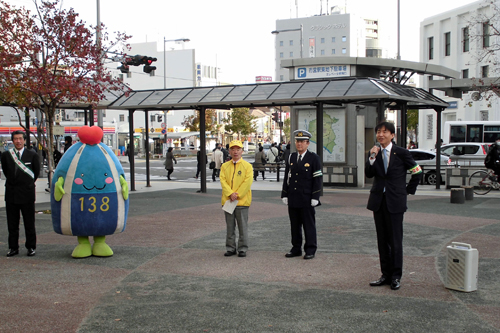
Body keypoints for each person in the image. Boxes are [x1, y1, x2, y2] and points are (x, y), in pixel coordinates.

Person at [365, 121, 422, 291]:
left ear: (392, 135)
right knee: (382, 241)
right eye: (378, 132)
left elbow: (417, 171)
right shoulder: (375, 152)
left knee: (395, 241)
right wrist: (371, 157)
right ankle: (385, 274)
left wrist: (407, 191)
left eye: (384, 132)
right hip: (378, 201)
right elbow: (369, 173)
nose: (380, 135)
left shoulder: (401, 153)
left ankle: (396, 276)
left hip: (395, 202)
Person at [281, 130, 322, 260]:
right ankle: (296, 248)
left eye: (302, 142)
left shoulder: (313, 158)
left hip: (307, 197)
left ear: (307, 143)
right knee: (295, 225)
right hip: (293, 196)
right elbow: (287, 177)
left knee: (308, 225)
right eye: (297, 141)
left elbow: (318, 179)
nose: (299, 144)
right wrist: (285, 194)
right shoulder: (291, 157)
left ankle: (310, 249)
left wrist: (316, 196)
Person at [1, 130, 40, 257]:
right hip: (11, 194)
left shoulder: (32, 155)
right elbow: (6, 172)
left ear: (24, 140)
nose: (18, 141)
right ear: (12, 141)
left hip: (27, 193)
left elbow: (35, 173)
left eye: (20, 138)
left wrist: (26, 184)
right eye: (15, 139)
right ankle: (13, 247)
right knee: (12, 223)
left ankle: (31, 247)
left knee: (29, 222)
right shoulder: (6, 155)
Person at [219, 140, 253, 257]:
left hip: (242, 201)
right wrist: (230, 194)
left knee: (243, 227)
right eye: (233, 149)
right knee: (230, 227)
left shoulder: (247, 166)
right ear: (229, 151)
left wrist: (236, 195)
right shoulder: (224, 166)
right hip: (228, 201)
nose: (235, 152)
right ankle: (230, 248)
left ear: (242, 151)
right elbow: (223, 181)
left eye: (238, 149)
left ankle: (242, 248)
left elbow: (247, 183)